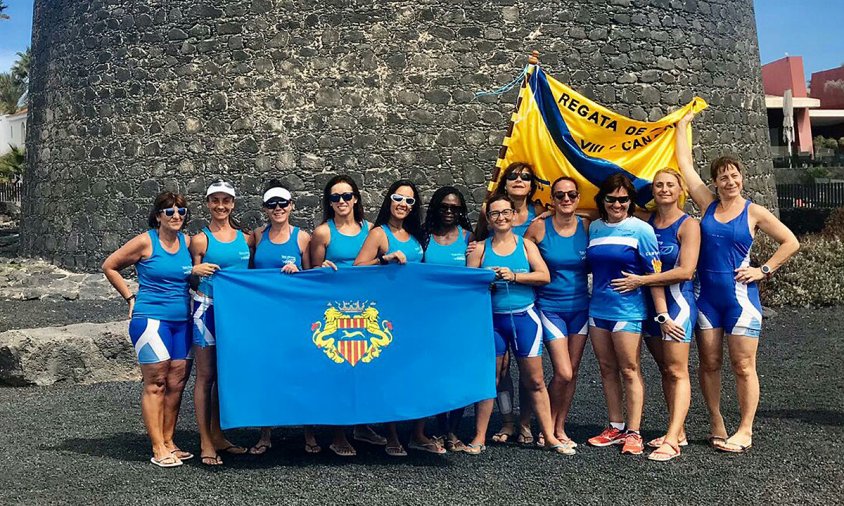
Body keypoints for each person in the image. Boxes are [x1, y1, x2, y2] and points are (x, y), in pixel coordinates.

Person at [676, 112, 799, 453]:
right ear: (714, 182)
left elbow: (791, 241)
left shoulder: (754, 212)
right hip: (707, 299)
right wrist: (682, 126)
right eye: (722, 177)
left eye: (734, 176)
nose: (729, 181)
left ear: (742, 179)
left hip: (741, 299)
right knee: (710, 363)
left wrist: (765, 270)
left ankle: (745, 429)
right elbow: (685, 165)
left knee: (743, 366)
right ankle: (717, 422)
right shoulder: (707, 204)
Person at [103, 192, 204, 468]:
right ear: (158, 215)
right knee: (156, 383)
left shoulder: (188, 243)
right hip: (151, 321)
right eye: (169, 211)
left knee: (176, 383)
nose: (176, 216)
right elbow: (110, 266)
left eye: (181, 212)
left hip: (182, 321)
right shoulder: (146, 242)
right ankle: (157, 446)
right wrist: (130, 297)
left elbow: (193, 279)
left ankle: (170, 441)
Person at [465, 194, 570, 456]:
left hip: (524, 318)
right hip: (492, 320)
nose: (500, 218)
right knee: (491, 378)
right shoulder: (479, 248)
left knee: (534, 379)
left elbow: (544, 275)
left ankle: (549, 437)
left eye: (505, 213)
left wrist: (515, 276)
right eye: (494, 214)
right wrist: (486, 282)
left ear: (513, 216)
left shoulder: (525, 246)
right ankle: (479, 437)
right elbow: (469, 286)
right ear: (488, 219)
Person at [609, 168, 701, 461]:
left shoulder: (688, 226)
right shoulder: (645, 222)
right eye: (659, 185)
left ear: (680, 189)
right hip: (651, 307)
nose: (663, 189)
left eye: (670, 185)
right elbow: (601, 212)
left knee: (677, 369)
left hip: (677, 305)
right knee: (664, 368)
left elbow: (686, 271)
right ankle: (679, 431)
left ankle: (672, 439)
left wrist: (641, 281)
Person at [585, 174, 674, 456]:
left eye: (623, 199)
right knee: (607, 369)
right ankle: (615, 426)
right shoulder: (595, 228)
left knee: (629, 369)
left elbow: (655, 273)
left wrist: (661, 314)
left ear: (631, 201)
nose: (617, 204)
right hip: (598, 309)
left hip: (628, 309)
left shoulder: (641, 230)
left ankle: (634, 432)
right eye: (611, 199)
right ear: (603, 200)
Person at [355, 179, 444, 456]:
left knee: (421, 371)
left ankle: (418, 433)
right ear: (389, 200)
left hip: (418, 311)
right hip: (389, 313)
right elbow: (358, 268)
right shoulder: (378, 234)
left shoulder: (417, 235)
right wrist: (384, 260)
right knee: (392, 372)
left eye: (409, 201)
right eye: (398, 198)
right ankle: (392, 433)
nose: (403, 204)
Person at [309, 174, 385, 456]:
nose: (341, 201)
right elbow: (312, 275)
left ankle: (362, 425)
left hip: (365, 310)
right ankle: (338, 434)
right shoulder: (323, 233)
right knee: (339, 369)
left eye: (346, 196)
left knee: (365, 369)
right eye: (334, 197)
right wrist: (321, 269)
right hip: (335, 312)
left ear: (355, 199)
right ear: (329, 203)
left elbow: (378, 264)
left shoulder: (371, 230)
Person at [476, 162, 547, 444]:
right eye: (513, 176)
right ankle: (507, 421)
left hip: (528, 301)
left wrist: (517, 275)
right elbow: (478, 241)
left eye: (525, 177)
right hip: (496, 307)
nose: (519, 180)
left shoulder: (540, 216)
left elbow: (543, 271)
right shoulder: (488, 213)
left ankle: (527, 424)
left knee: (530, 372)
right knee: (500, 370)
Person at [248, 180, 317, 456]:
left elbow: (313, 277)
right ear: (265, 208)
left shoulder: (303, 238)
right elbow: (247, 273)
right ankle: (265, 434)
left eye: (283, 203)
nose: (278, 208)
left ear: (292, 206)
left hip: (295, 314)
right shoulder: (256, 236)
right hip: (264, 316)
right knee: (267, 372)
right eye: (272, 204)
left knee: (303, 371)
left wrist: (298, 272)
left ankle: (309, 433)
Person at [523, 177, 590, 454]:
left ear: (577, 197)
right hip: (550, 307)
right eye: (560, 195)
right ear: (552, 199)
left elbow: (612, 211)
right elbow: (516, 251)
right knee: (562, 371)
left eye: (571, 195)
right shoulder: (539, 226)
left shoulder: (587, 225)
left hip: (581, 308)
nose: (566, 199)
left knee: (571, 374)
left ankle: (559, 428)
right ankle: (546, 428)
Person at [189, 180, 252, 466]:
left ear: (233, 204)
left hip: (237, 313)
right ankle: (204, 441)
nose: (220, 206)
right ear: (207, 204)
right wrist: (193, 269)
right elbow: (186, 276)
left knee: (224, 376)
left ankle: (218, 434)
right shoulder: (200, 240)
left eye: (226, 201)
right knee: (206, 375)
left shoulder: (246, 239)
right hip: (207, 310)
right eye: (215, 200)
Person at [422, 186, 474, 452]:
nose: (449, 212)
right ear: (435, 208)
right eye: (444, 207)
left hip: (459, 318)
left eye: (455, 208)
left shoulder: (468, 238)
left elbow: (477, 274)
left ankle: (453, 430)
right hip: (429, 317)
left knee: (457, 372)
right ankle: (439, 429)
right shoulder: (424, 238)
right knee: (435, 373)